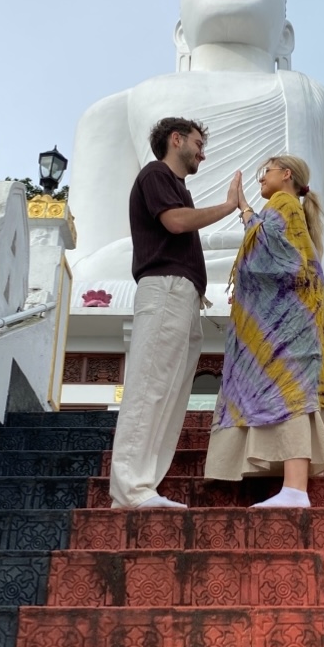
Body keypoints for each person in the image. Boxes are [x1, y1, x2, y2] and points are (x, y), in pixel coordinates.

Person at [67, 0, 324, 302]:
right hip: (170, 272)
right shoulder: (118, 108)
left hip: (292, 269)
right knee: (98, 273)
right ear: (181, 35)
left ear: (285, 37)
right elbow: (83, 266)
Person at [109, 117, 244, 510]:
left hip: (183, 293)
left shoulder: (178, 186)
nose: (203, 151)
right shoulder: (155, 174)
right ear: (176, 139)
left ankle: (142, 486)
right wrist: (229, 205)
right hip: (165, 287)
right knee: (150, 386)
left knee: (170, 393)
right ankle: (130, 489)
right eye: (199, 143)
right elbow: (176, 222)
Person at [204, 155, 324, 507]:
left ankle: (295, 489)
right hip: (289, 324)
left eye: (267, 173)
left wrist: (244, 208)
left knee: (290, 392)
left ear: (286, 174)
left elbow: (273, 254)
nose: (263, 179)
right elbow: (271, 243)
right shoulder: (286, 206)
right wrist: (244, 207)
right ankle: (291, 485)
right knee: (286, 390)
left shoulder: (283, 203)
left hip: (286, 326)